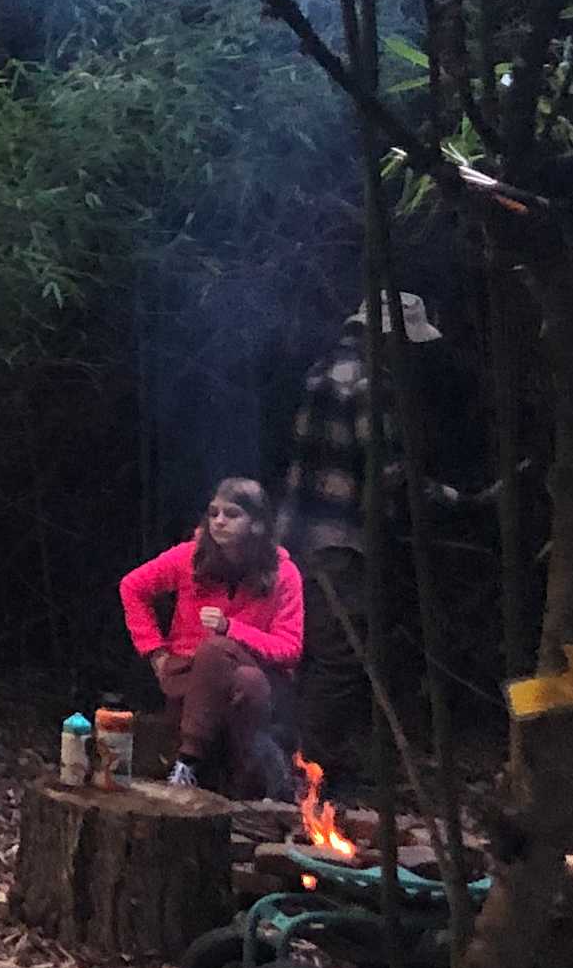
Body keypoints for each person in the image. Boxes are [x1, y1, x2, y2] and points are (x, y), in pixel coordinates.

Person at [277, 292, 443, 775]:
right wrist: (453, 498)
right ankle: (307, 773)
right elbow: (388, 473)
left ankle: (295, 762)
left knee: (308, 654)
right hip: (339, 542)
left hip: (298, 535)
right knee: (341, 658)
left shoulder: (323, 368)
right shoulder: (371, 383)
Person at [117, 476, 304, 797]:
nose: (219, 522)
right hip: (189, 676)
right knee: (244, 680)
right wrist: (154, 651)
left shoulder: (283, 573)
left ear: (257, 524)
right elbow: (132, 587)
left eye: (231, 514)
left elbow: (289, 649)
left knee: (230, 662)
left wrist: (232, 629)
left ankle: (189, 761)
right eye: (213, 513)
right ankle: (235, 785)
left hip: (261, 675)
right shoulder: (189, 557)